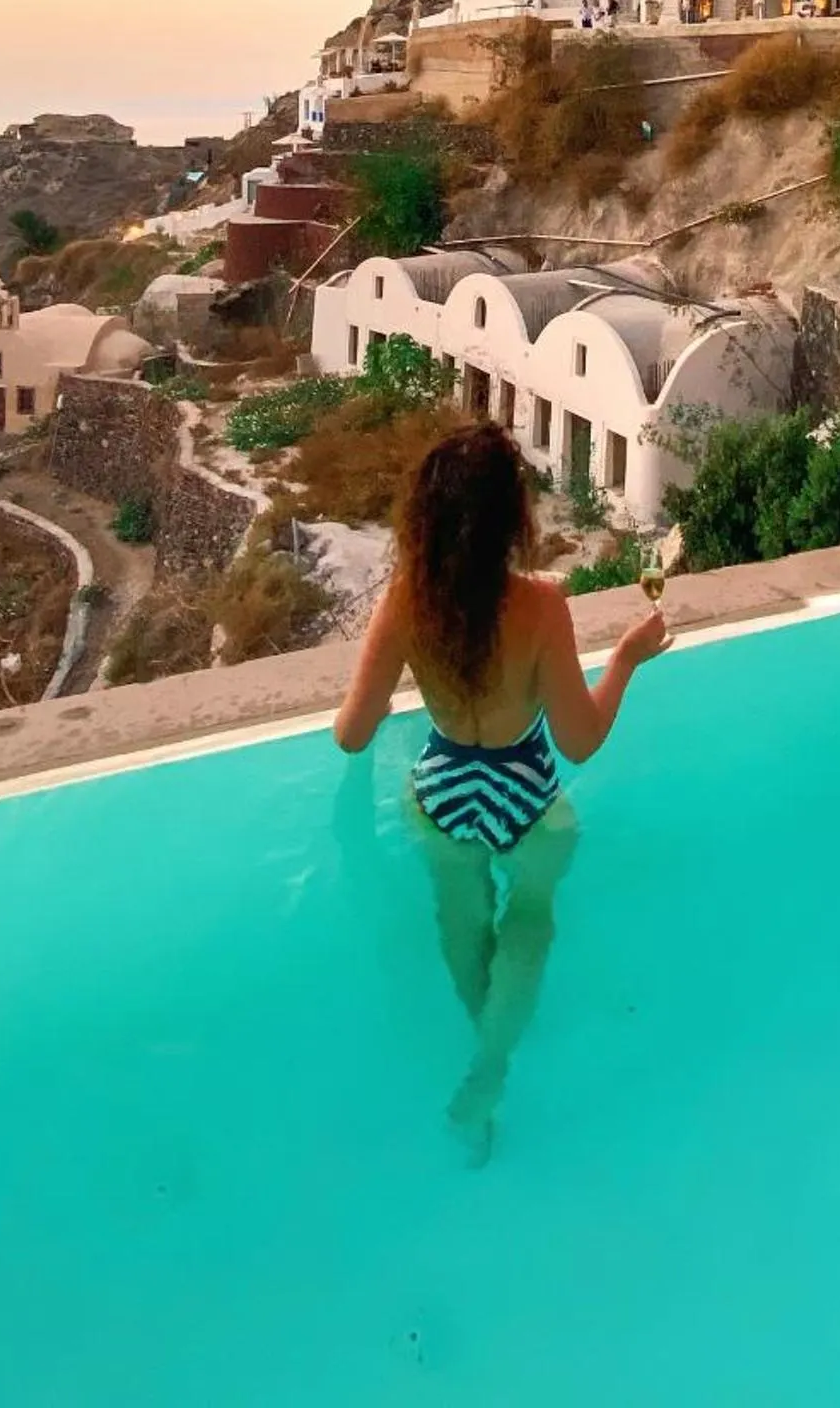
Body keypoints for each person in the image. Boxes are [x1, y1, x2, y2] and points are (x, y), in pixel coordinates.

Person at [334, 423, 669, 1158]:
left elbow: (351, 735)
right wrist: (626, 659)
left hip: (444, 790)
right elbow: (579, 740)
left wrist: (399, 691)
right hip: (525, 790)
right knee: (530, 921)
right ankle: (490, 1065)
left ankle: (484, 1049)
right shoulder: (542, 607)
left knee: (463, 926)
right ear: (510, 521)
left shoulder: (405, 604)